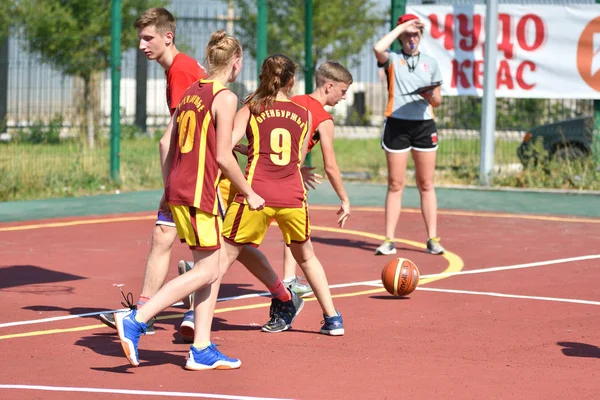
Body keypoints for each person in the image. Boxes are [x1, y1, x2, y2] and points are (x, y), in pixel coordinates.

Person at [113, 30, 284, 370]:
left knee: (212, 266)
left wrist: (169, 186)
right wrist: (249, 192)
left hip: (181, 187)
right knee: (208, 268)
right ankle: (138, 318)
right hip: (198, 191)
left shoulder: (192, 90)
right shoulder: (224, 97)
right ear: (235, 64)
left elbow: (167, 143)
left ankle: (202, 348)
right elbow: (223, 156)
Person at [99, 7, 207, 335]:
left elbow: (169, 139)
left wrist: (169, 186)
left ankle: (282, 294)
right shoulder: (179, 68)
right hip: (195, 170)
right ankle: (146, 310)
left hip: (196, 172)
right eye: (140, 39)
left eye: (149, 38)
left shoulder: (181, 71)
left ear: (167, 37)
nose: (142, 45)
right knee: (167, 237)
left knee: (219, 253)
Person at [221, 53, 344, 335]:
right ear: (291, 81)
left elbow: (225, 147)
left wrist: (249, 151)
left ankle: (195, 316)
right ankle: (333, 318)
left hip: (256, 194)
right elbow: (294, 159)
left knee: (223, 257)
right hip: (292, 195)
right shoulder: (306, 114)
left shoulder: (252, 107)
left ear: (264, 77)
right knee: (308, 257)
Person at [372, 13, 445, 256]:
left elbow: (437, 101)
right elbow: (377, 47)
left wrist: (430, 96)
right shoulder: (392, 58)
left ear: (421, 36)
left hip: (424, 125)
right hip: (397, 124)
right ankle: (388, 239)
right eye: (407, 34)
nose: (411, 38)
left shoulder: (431, 62)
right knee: (395, 184)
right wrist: (402, 26)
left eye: (415, 34)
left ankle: (433, 238)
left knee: (426, 183)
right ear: (401, 35)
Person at [279, 61, 354, 294]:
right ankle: (200, 273)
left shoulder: (293, 101)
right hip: (283, 184)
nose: (343, 97)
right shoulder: (323, 118)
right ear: (329, 86)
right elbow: (330, 166)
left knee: (240, 236)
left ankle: (290, 279)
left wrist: (296, 166)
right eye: (343, 91)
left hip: (263, 174)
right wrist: (344, 199)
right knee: (297, 234)